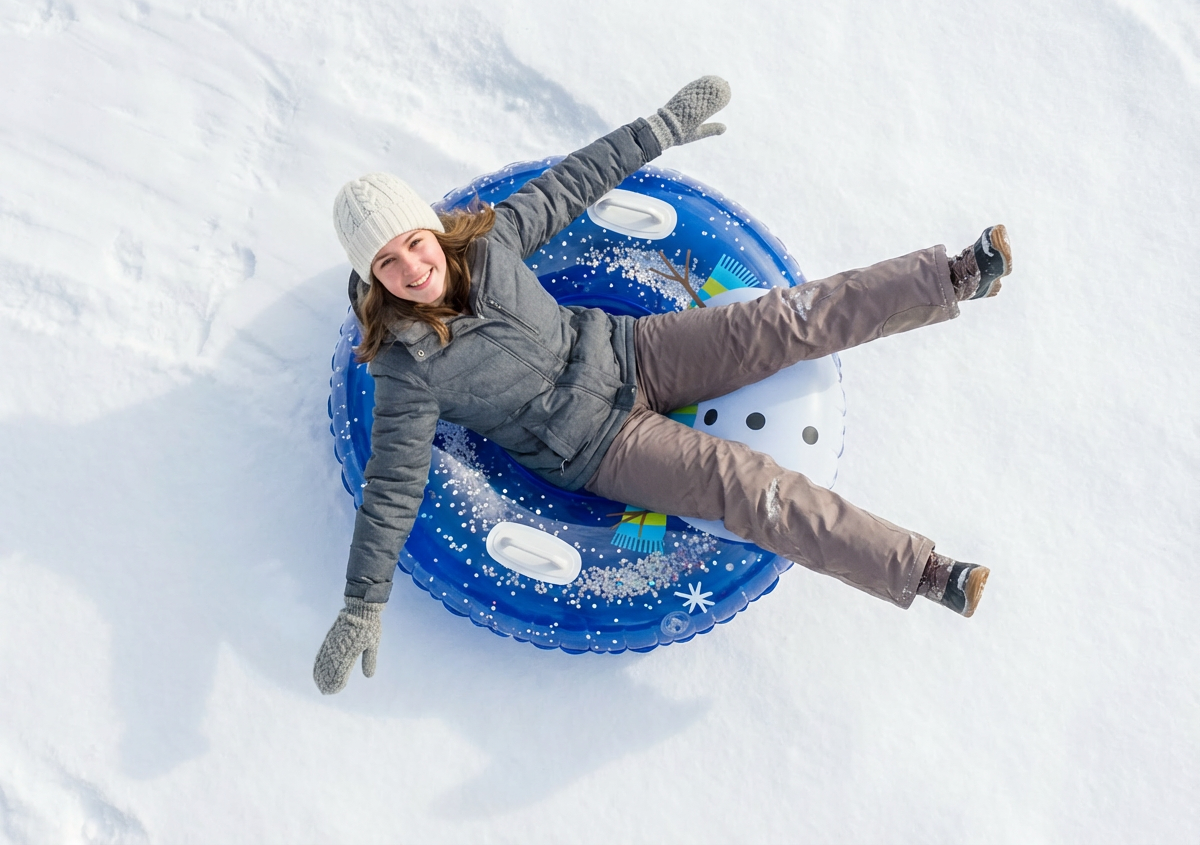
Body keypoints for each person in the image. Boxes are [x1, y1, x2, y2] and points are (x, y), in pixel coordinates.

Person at [313, 76, 1010, 695]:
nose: (410, 266)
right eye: (386, 261)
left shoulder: (491, 245)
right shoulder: (406, 365)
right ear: (373, 276)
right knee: (746, 486)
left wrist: (660, 127)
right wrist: (361, 604)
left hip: (635, 350)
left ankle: (956, 276)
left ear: (432, 232)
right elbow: (394, 486)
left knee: (781, 321)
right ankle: (925, 572)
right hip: (599, 448)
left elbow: (573, 182)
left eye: (413, 242)